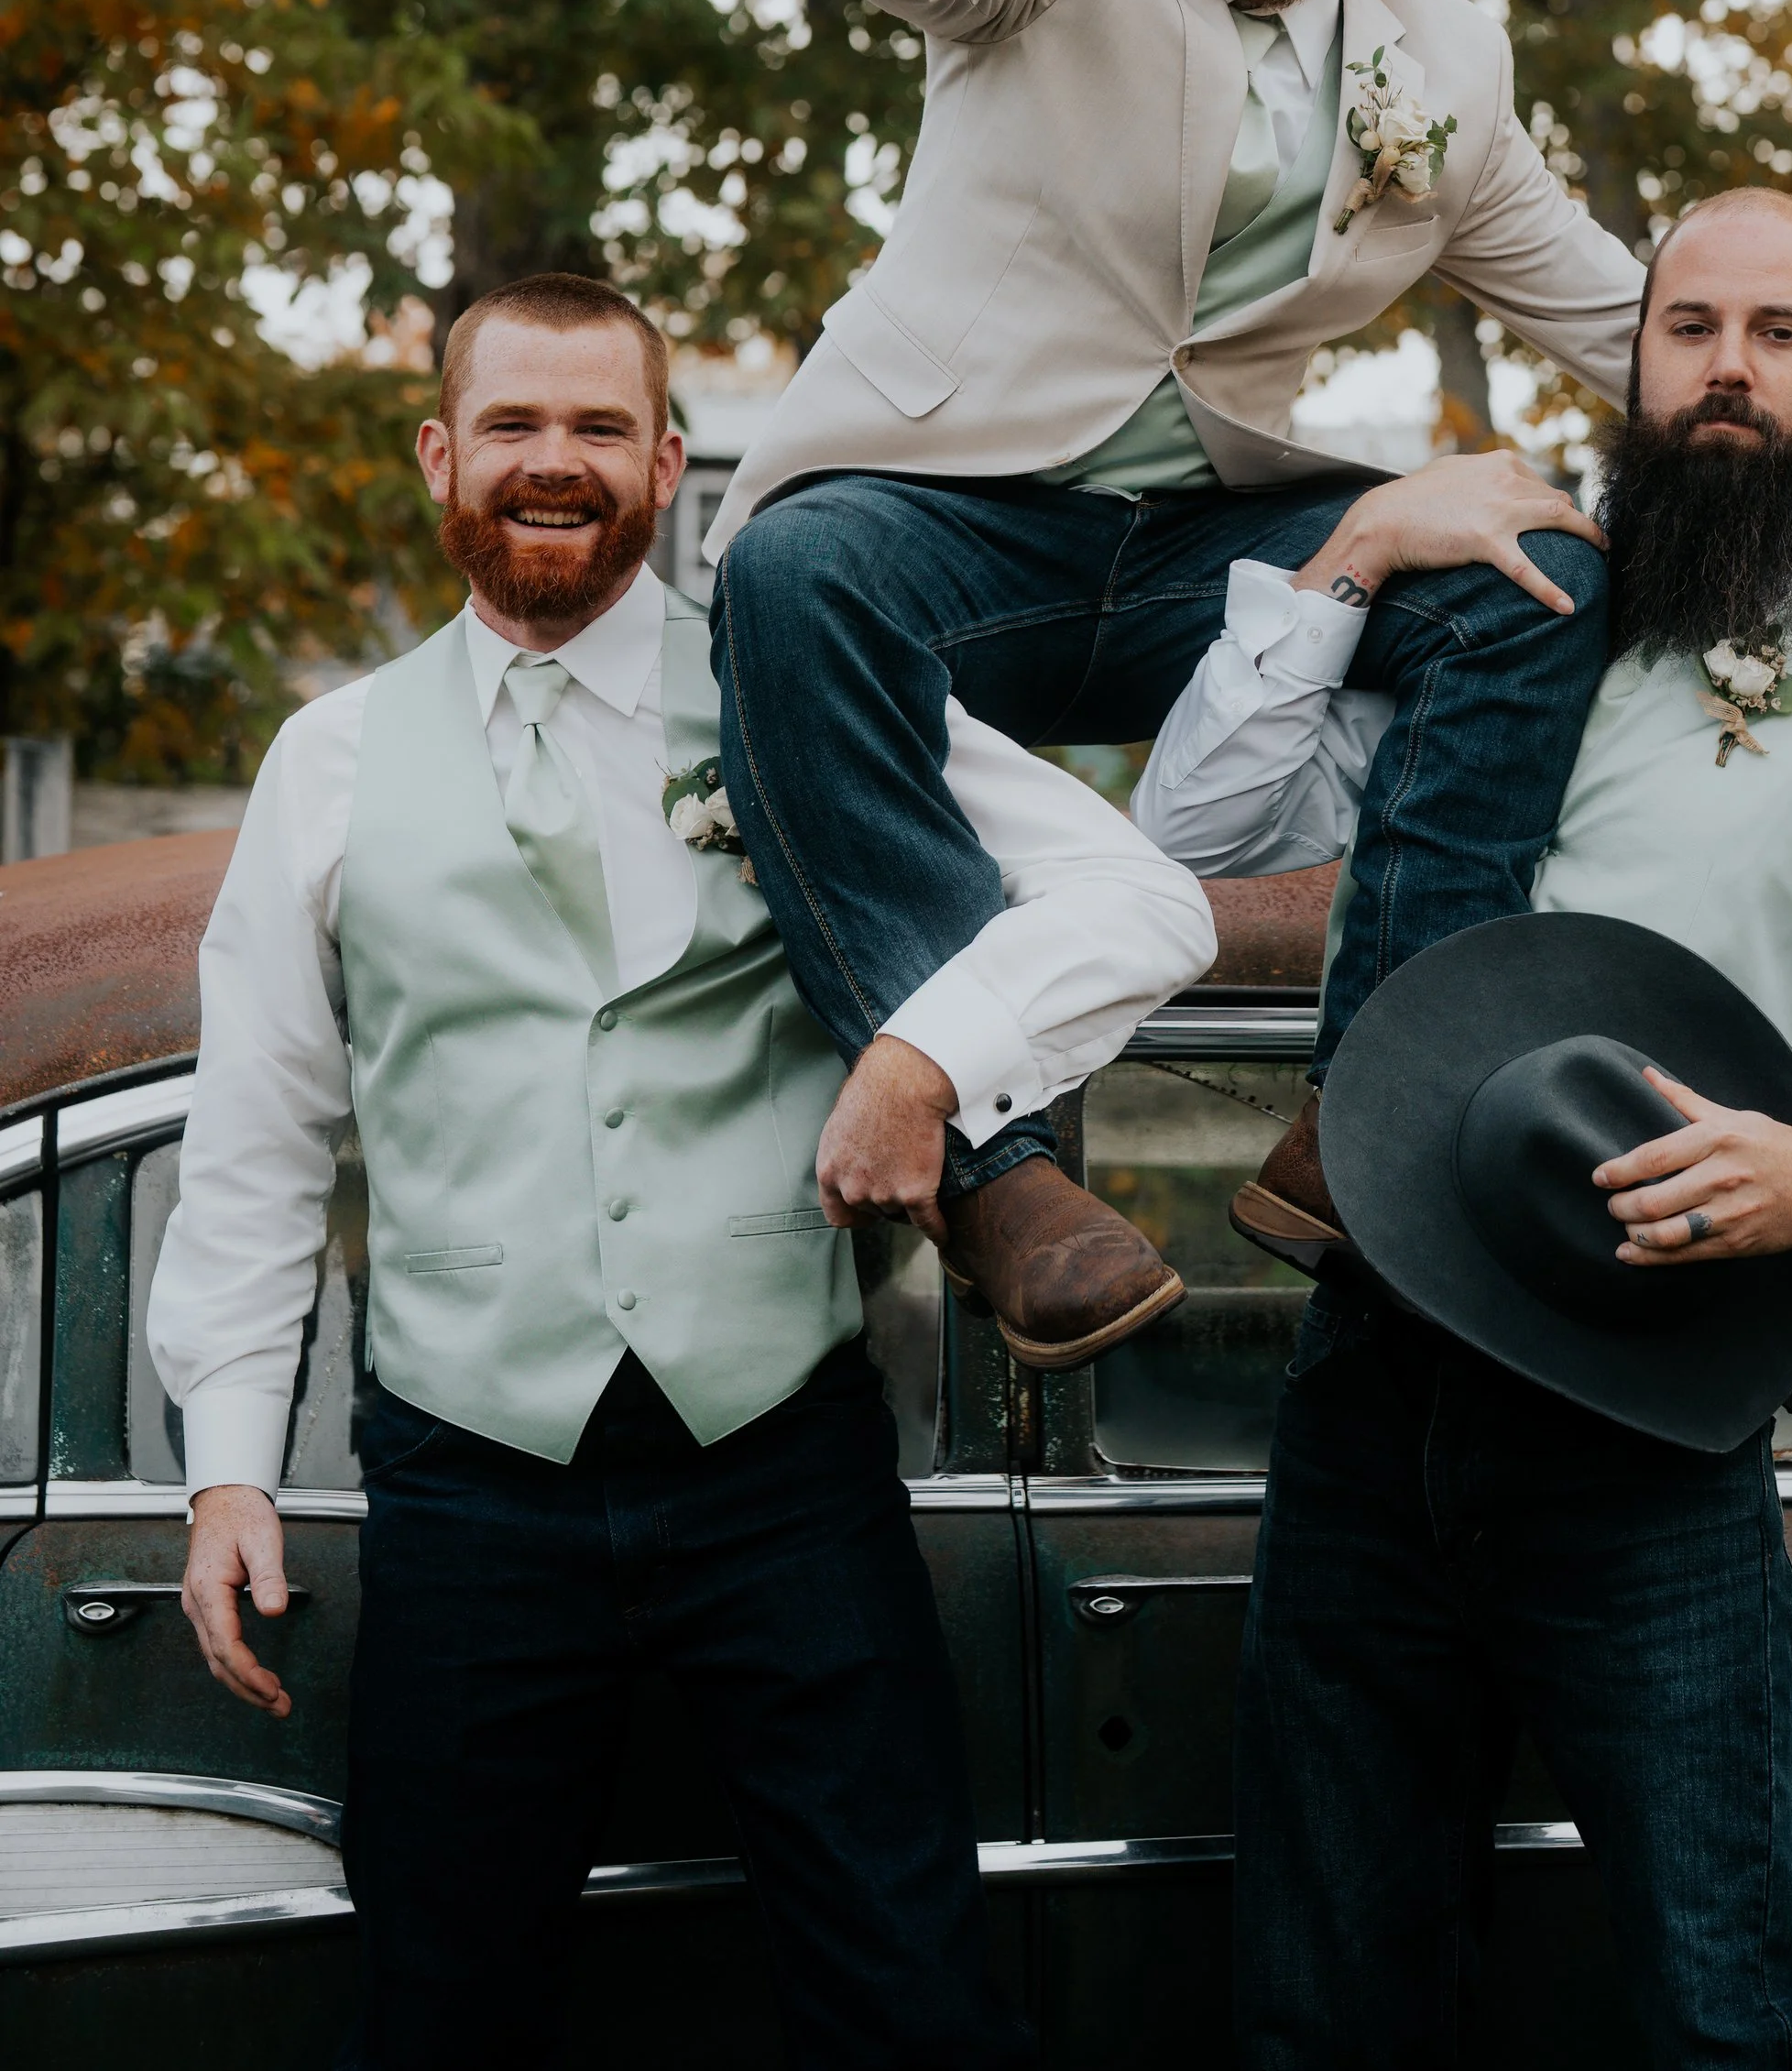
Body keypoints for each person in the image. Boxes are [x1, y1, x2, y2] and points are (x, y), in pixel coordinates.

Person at [698, 0, 1792, 1364]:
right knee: (788, 575)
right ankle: (993, 1166)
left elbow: (1622, 312)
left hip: (1199, 543)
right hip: (949, 515)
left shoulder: (1441, 60)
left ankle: (1375, 1092)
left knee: (1531, 566)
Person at [148, 272, 1214, 2071]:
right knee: (442, 2006)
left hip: (777, 1467)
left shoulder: (798, 696)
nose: (549, 463)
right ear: (439, 455)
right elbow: (256, 1136)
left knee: (908, 1989)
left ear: (664, 457)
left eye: (591, 426)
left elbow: (1143, 902)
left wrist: (922, 1053)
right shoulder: (325, 763)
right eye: (510, 424)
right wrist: (227, 1468)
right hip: (470, 1482)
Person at [1132, 188, 1792, 2069]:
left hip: (1652, 1425)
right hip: (1365, 1386)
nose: (1726, 371)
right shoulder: (1504, 607)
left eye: (1778, 332)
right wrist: (1351, 549)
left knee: (1723, 2010)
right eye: (1687, 329)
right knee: (1321, 2007)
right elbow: (1184, 846)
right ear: (1628, 356)